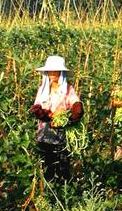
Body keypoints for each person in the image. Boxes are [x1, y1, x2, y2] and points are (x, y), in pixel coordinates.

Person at [30, 56, 83, 185]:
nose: (53, 74)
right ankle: (49, 192)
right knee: (47, 166)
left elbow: (77, 107)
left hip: (61, 136)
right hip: (44, 134)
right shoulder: (43, 90)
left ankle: (64, 193)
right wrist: (47, 116)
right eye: (50, 71)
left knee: (62, 166)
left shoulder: (68, 90)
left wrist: (66, 117)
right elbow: (36, 108)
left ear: (61, 72)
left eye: (56, 71)